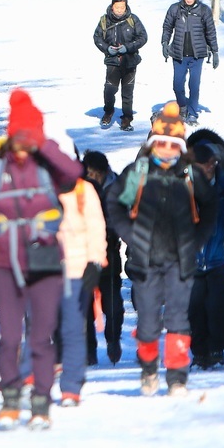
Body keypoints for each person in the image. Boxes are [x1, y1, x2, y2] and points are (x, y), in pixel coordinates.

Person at [0, 90, 82, 430]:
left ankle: (41, 401)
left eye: (29, 135)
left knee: (41, 337)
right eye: (19, 134)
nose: (23, 142)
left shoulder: (48, 165)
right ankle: (10, 397)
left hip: (45, 264)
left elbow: (75, 174)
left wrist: (44, 144)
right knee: (11, 337)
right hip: (5, 264)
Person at [106, 103, 217, 397]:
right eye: (161, 144)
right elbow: (114, 203)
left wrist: (198, 239)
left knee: (179, 317)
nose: (166, 150)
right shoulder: (138, 171)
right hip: (145, 258)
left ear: (181, 146)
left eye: (172, 145)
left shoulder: (192, 175)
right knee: (148, 320)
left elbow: (210, 207)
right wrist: (130, 235)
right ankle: (148, 369)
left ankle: (178, 377)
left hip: (181, 259)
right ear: (152, 143)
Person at [185, 130, 224, 369]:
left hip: (219, 257)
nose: (206, 170)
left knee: (216, 307)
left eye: (210, 165)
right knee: (195, 309)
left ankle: (216, 350)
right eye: (200, 166)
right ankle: (199, 352)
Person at [54, 165, 108, 406]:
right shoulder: (39, 187)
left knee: (74, 327)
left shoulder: (83, 190)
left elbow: (97, 227)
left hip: (77, 267)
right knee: (41, 326)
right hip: (44, 267)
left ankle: (71, 385)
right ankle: (39, 376)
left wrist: (95, 261)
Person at [80, 151, 125, 365]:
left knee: (113, 304)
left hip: (110, 254)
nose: (92, 177)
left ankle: (113, 339)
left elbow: (123, 215)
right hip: (83, 255)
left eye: (95, 173)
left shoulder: (116, 188)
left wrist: (110, 228)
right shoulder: (79, 189)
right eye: (88, 173)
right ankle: (89, 350)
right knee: (85, 306)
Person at [161, 0, 219, 125]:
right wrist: (164, 43)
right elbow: (167, 27)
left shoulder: (204, 10)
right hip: (178, 54)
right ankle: (183, 106)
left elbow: (210, 31)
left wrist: (214, 50)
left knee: (194, 85)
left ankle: (192, 113)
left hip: (197, 55)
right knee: (177, 85)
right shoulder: (175, 9)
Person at [92, 0, 148, 130]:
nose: (119, 10)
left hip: (130, 61)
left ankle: (127, 118)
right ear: (112, 7)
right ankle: (108, 111)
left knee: (127, 92)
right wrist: (107, 49)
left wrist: (127, 47)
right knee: (109, 90)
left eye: (122, 7)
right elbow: (97, 37)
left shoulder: (133, 19)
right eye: (117, 7)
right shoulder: (104, 20)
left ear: (126, 7)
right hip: (112, 61)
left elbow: (143, 37)